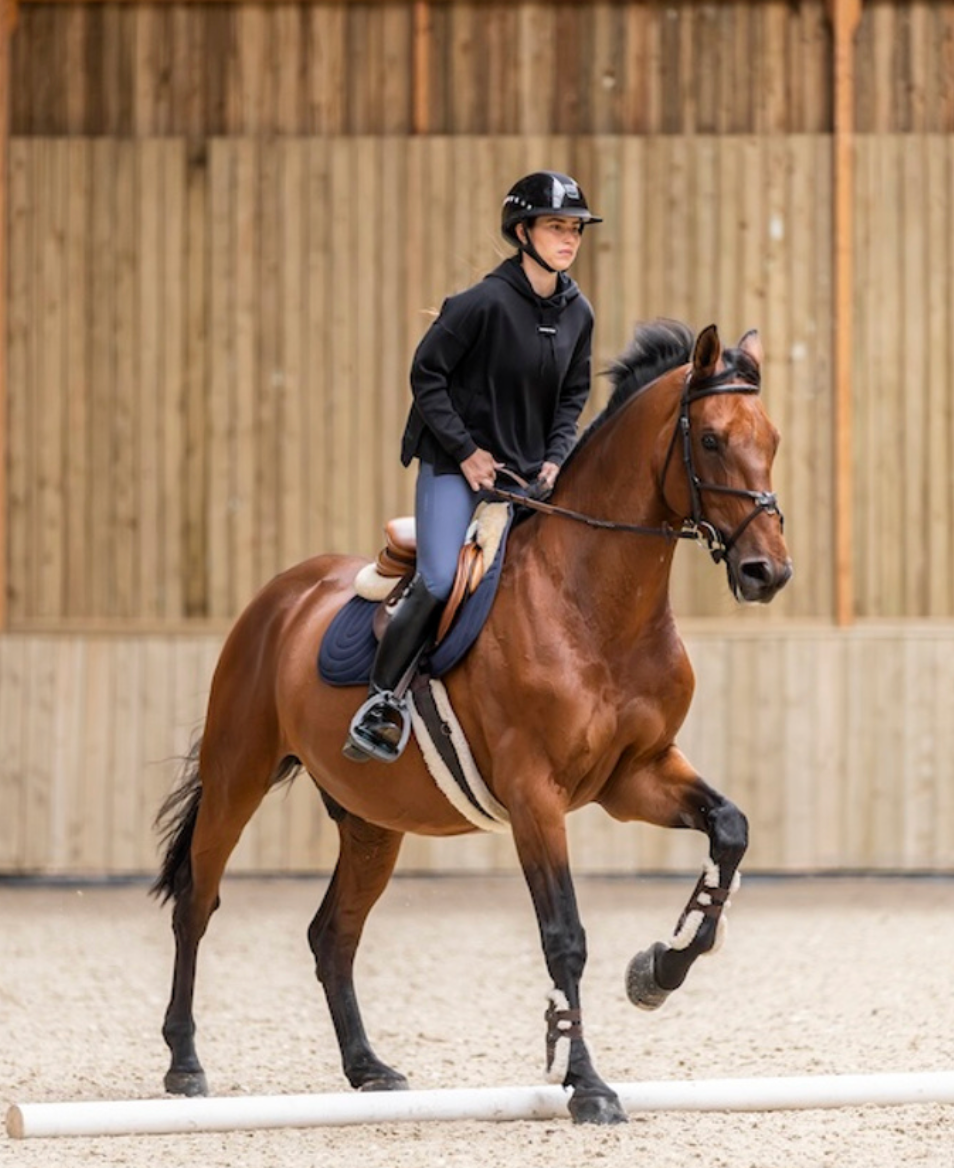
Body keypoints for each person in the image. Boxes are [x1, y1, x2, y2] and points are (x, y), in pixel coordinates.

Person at [344, 170, 601, 763]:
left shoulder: (578, 313)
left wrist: (559, 457)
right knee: (438, 578)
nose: (569, 239)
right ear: (522, 232)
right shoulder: (481, 304)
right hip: (454, 469)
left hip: (525, 479)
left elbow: (573, 396)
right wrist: (465, 451)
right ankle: (381, 702)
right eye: (557, 227)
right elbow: (425, 375)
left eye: (575, 230)